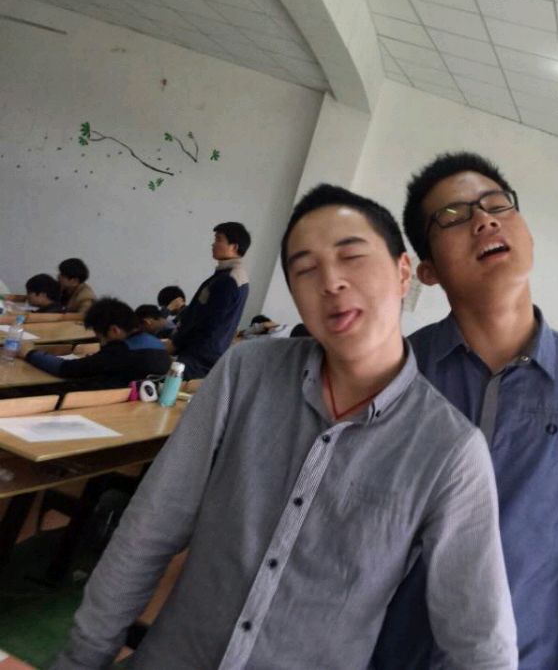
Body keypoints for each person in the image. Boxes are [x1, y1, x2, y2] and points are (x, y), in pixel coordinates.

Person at [52, 184, 516, 669]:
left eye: (351, 257)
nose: (331, 282)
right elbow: (151, 527)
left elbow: (481, 643)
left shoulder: (450, 449)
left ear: (403, 272)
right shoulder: (245, 373)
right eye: (306, 269)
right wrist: (81, 659)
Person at [374, 153, 558, 670]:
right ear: (428, 270)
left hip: (523, 655)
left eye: (497, 204)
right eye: (453, 216)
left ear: (528, 236)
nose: (484, 220)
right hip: (392, 652)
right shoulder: (398, 374)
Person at [25, 298, 170, 388]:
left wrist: (29, 352)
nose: (102, 343)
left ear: (114, 330)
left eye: (100, 337)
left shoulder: (120, 351)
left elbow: (66, 369)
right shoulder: (156, 343)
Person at [168, 223, 250, 379]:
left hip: (199, 356)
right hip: (203, 353)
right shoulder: (229, 276)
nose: (213, 244)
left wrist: (176, 343)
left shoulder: (229, 280)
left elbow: (207, 321)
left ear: (234, 247)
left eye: (219, 240)